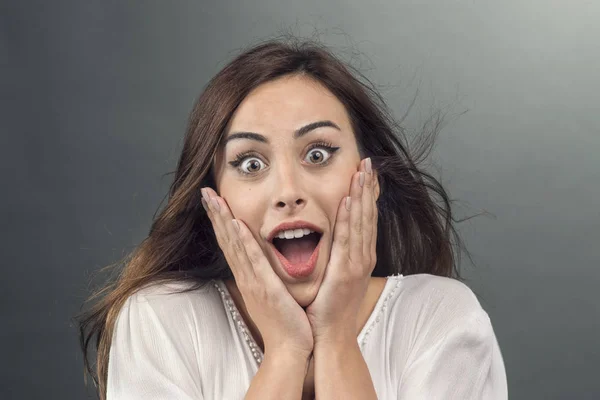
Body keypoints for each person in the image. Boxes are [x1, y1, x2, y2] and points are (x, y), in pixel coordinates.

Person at [76, 37, 508, 400]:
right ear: (212, 197)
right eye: (249, 164)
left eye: (318, 154)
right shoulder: (162, 320)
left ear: (369, 173)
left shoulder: (440, 318)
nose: (288, 192)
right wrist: (285, 351)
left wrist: (336, 338)